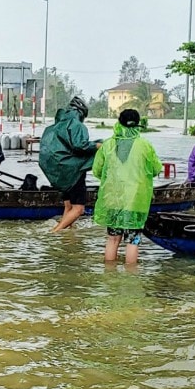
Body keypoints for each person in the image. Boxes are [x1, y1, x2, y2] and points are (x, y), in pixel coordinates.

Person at [92, 109, 163, 266]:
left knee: (112, 238)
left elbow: (97, 170)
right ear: (138, 124)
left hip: (112, 199)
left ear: (119, 122)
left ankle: (109, 275)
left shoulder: (107, 145)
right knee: (133, 240)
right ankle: (131, 279)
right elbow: (157, 169)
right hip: (136, 201)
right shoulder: (145, 146)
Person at [40, 96, 100, 232]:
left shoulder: (55, 126)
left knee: (68, 207)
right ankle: (56, 231)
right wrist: (98, 145)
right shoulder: (77, 125)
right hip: (72, 172)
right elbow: (80, 145)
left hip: (58, 173)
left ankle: (68, 235)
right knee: (78, 209)